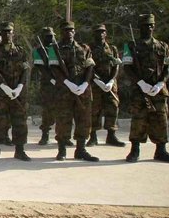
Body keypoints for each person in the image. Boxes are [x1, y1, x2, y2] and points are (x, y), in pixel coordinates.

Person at [122, 14, 169, 164]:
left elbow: (167, 67)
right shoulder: (131, 46)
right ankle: (135, 150)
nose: (148, 28)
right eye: (144, 25)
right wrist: (141, 83)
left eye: (150, 25)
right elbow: (127, 68)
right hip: (140, 90)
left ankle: (161, 150)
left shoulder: (162, 46)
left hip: (158, 90)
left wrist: (161, 83)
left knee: (161, 119)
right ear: (139, 27)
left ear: (154, 26)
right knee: (138, 120)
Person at [0, 22, 31, 161]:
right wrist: (4, 87)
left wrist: (19, 87)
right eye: (4, 32)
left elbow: (25, 70)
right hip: (0, 92)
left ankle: (19, 150)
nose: (7, 34)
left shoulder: (21, 51)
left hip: (17, 91)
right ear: (1, 34)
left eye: (9, 32)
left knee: (19, 121)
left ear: (13, 33)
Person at [50, 21, 98, 162]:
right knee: (63, 120)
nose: (69, 32)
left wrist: (84, 84)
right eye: (65, 30)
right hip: (64, 91)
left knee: (84, 120)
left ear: (74, 32)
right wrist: (67, 83)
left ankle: (81, 150)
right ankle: (62, 149)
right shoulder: (55, 49)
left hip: (82, 90)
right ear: (61, 32)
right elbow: (54, 69)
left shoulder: (84, 48)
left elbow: (90, 67)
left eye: (71, 30)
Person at [88, 24, 125, 147]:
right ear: (94, 34)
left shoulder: (112, 49)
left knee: (113, 107)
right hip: (95, 83)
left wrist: (111, 80)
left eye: (103, 32)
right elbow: (88, 67)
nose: (100, 34)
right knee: (94, 109)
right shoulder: (89, 49)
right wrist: (97, 80)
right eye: (98, 32)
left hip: (110, 83)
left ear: (106, 33)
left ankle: (111, 136)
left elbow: (116, 65)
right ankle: (92, 137)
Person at [31, 27, 57, 146]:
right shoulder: (38, 51)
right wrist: (52, 79)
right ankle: (45, 134)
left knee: (63, 110)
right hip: (48, 84)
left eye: (52, 36)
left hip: (62, 82)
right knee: (48, 110)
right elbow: (41, 68)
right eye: (47, 36)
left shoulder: (58, 48)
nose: (50, 38)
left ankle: (63, 136)